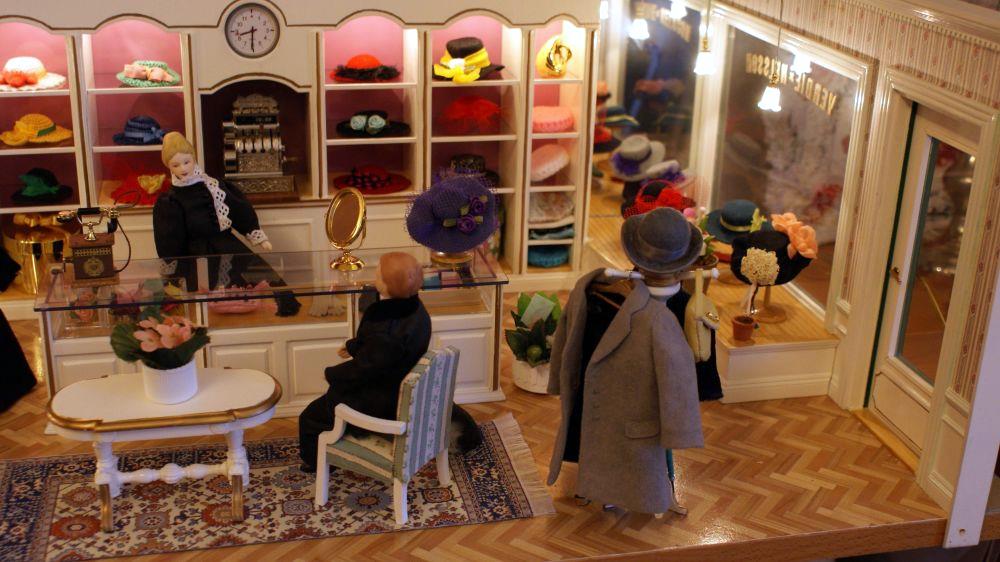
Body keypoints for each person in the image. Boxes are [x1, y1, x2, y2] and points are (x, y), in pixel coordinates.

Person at [298, 252, 432, 473]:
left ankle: (318, 462)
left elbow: (365, 368)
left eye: (378, 275)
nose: (374, 276)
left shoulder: (386, 330)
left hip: (380, 398)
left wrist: (332, 374)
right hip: (396, 382)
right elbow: (377, 352)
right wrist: (353, 347)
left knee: (311, 417)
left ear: (387, 286)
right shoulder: (416, 311)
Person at [154, 132, 300, 315]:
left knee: (257, 272)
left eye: (186, 162)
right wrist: (172, 265)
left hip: (224, 242)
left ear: (193, 159)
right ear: (168, 166)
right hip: (196, 254)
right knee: (204, 297)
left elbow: (238, 209)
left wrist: (255, 234)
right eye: (175, 165)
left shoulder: (214, 186)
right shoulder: (169, 201)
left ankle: (281, 306)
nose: (183, 168)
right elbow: (168, 238)